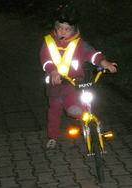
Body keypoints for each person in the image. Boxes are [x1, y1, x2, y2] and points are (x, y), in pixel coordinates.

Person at [39, 4, 117, 150]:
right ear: (55, 27)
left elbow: (91, 53)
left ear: (73, 30)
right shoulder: (48, 42)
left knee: (75, 108)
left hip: (73, 85)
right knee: (54, 113)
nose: (63, 32)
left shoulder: (79, 44)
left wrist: (104, 62)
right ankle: (52, 138)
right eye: (60, 28)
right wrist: (53, 71)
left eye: (67, 29)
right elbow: (45, 59)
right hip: (55, 87)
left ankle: (92, 125)